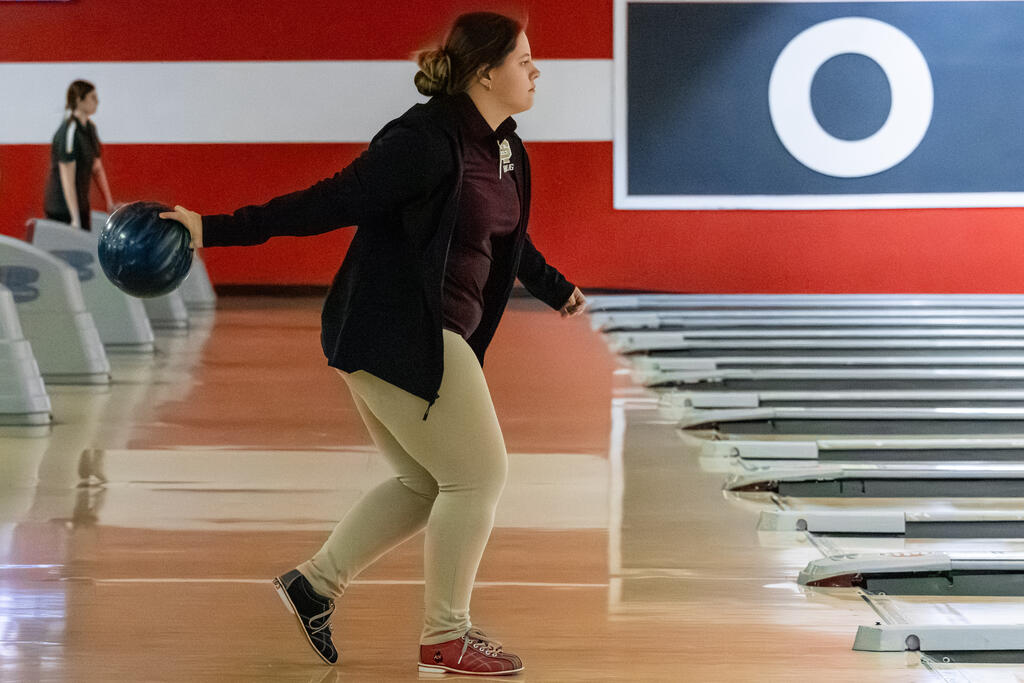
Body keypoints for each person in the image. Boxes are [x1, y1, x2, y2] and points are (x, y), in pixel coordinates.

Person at [161, 11, 586, 676]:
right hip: (398, 329)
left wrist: (555, 287)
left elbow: (508, 234)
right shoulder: (423, 141)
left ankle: (314, 584)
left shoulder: (505, 148)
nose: (537, 71)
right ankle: (446, 635)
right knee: (479, 476)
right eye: (524, 60)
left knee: (425, 481)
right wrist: (213, 229)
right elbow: (329, 202)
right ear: (484, 73)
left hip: (421, 330)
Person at [43, 80, 115, 230]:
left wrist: (109, 202)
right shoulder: (69, 132)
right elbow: (67, 180)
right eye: (92, 97)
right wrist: (74, 219)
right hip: (61, 210)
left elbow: (97, 168)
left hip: (81, 206)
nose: (97, 101)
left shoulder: (90, 128)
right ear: (79, 100)